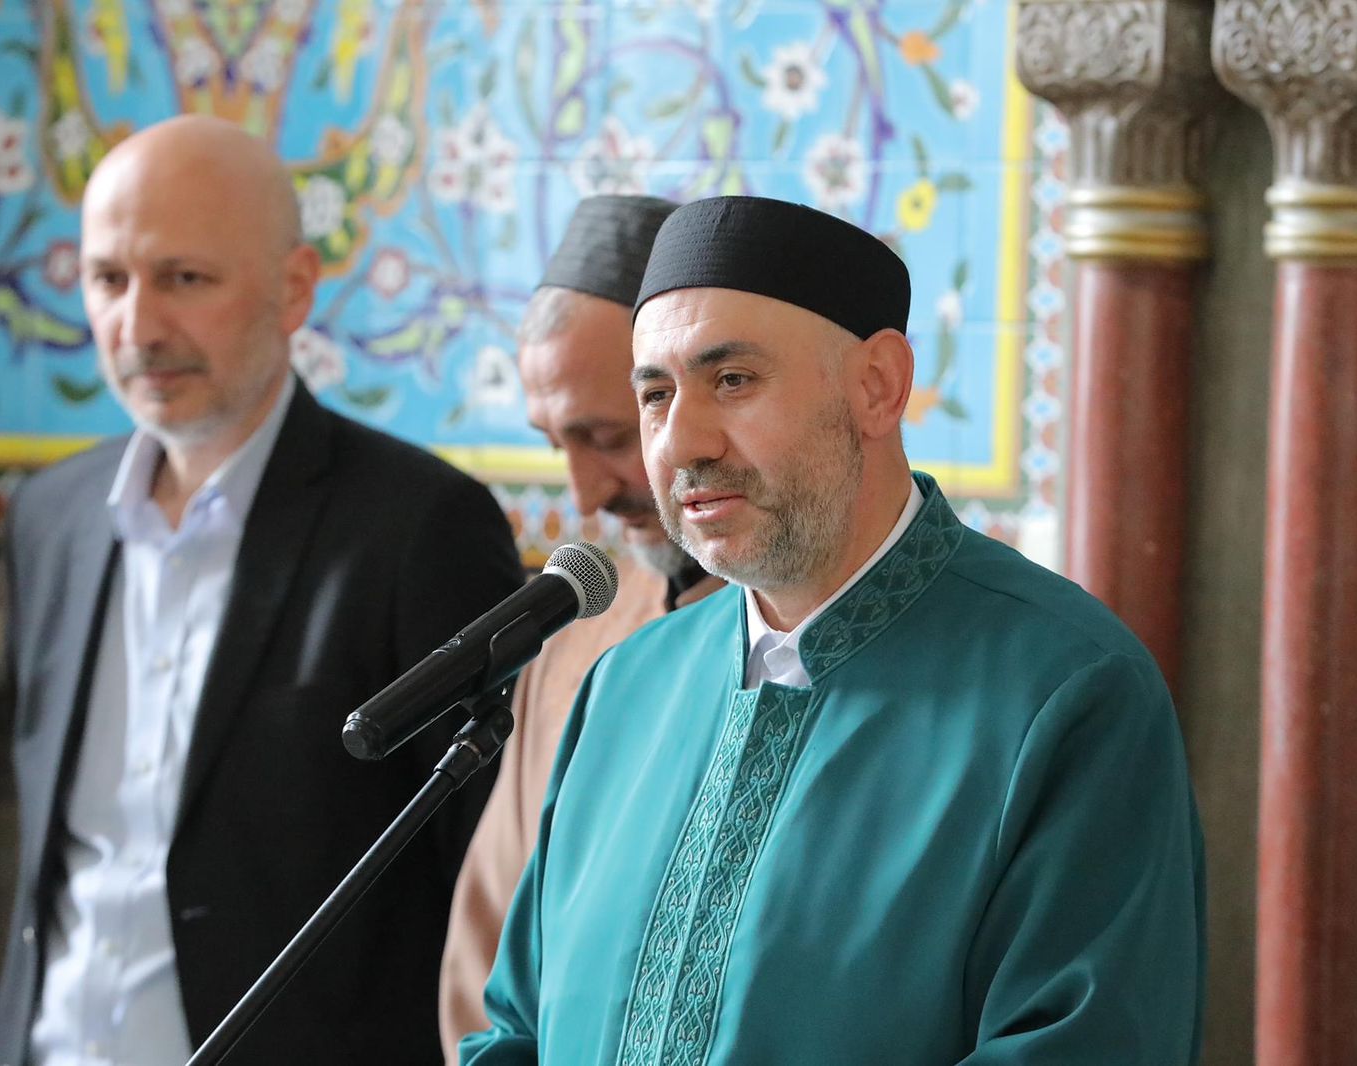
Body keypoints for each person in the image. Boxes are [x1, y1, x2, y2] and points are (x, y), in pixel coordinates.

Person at [459, 196, 1206, 1064]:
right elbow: (514, 1030)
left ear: (877, 386)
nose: (684, 441)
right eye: (656, 395)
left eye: (732, 381)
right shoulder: (627, 685)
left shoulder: (1070, 693)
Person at [0, 115, 525, 1066]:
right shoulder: (49, 518)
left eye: (184, 279)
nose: (138, 328)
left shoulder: (419, 527)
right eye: (108, 279)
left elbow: (482, 884)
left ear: (294, 289)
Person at [438, 195, 725, 1062]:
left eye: (606, 436)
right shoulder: (572, 638)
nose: (585, 494)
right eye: (556, 441)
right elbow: (487, 954)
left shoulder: (807, 626)